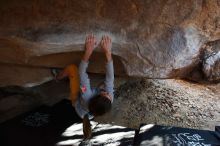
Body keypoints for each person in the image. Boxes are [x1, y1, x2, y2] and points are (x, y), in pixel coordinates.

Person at [78, 34, 114, 139]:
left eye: (106, 94)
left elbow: (81, 73)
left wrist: (88, 52)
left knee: (73, 71)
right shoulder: (109, 99)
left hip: (80, 106)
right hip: (92, 108)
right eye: (109, 96)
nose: (109, 94)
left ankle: (57, 76)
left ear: (97, 95)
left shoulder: (86, 95)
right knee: (107, 84)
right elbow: (110, 78)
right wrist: (108, 52)